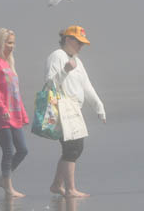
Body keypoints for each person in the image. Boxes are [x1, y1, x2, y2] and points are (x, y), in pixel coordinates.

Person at [45, 25, 105, 197]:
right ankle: (70, 189)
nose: (81, 46)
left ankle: (57, 184)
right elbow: (50, 84)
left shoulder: (77, 60)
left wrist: (99, 107)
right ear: (68, 39)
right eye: (78, 42)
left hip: (74, 109)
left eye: (82, 44)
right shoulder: (57, 56)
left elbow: (87, 85)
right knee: (73, 147)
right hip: (62, 107)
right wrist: (65, 70)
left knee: (73, 148)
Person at [0, 28, 30, 198]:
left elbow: (15, 93)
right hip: (1, 114)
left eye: (13, 43)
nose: (12, 46)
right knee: (8, 150)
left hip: (15, 114)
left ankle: (3, 178)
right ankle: (8, 186)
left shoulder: (8, 64)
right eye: (9, 42)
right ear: (0, 43)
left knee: (23, 150)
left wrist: (23, 115)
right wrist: (2, 109)